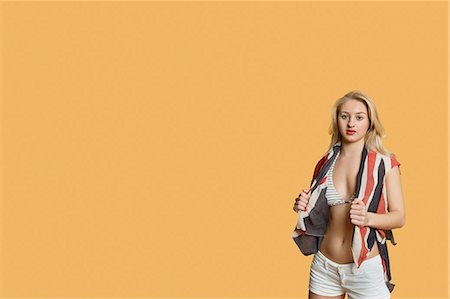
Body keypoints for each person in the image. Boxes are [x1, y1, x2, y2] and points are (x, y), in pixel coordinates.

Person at [292, 90, 405, 299]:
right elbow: (319, 213)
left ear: (370, 122)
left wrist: (368, 218)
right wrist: (303, 205)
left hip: (364, 269)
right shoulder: (325, 163)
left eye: (359, 117)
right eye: (345, 116)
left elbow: (399, 217)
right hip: (325, 266)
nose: (351, 123)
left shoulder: (385, 163)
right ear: (337, 120)